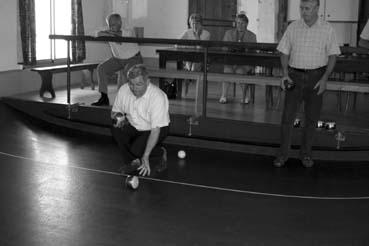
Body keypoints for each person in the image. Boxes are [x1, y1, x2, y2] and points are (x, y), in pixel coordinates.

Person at [274, 0, 340, 168]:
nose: (304, 12)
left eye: (307, 8)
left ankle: (306, 155)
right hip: (294, 77)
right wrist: (285, 74)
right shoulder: (293, 27)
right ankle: (283, 155)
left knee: (311, 120)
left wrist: (325, 78)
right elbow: (284, 52)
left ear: (317, 8)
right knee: (287, 118)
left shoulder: (327, 29)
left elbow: (333, 56)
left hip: (316, 78)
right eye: (301, 8)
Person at [111, 64, 170, 177]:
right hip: (134, 125)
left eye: (139, 84)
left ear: (147, 82)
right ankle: (133, 162)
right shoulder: (124, 89)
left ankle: (160, 152)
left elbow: (155, 130)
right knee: (115, 126)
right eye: (131, 84)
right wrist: (119, 117)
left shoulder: (157, 96)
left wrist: (146, 156)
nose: (134, 88)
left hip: (155, 128)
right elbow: (114, 112)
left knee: (137, 150)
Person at [92, 13, 143, 106]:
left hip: (133, 58)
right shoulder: (108, 30)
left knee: (127, 72)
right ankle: (104, 97)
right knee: (101, 68)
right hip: (118, 59)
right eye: (109, 25)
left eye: (114, 24)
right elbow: (96, 33)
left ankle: (132, 100)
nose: (111, 27)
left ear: (120, 23)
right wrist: (108, 33)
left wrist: (108, 34)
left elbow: (119, 38)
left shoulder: (128, 30)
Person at [219, 13, 257, 104]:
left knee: (240, 71)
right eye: (238, 23)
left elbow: (253, 51)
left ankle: (245, 96)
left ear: (246, 24)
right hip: (231, 61)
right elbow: (223, 48)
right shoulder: (228, 33)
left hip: (245, 62)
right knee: (227, 70)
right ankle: (224, 96)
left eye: (242, 23)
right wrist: (230, 48)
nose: (239, 25)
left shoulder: (252, 36)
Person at [178, 13, 211, 95]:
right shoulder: (187, 32)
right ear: (190, 24)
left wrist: (197, 35)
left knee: (193, 67)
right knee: (190, 66)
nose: (194, 26)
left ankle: (189, 79)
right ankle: (188, 78)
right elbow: (177, 44)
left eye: (197, 23)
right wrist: (185, 47)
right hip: (188, 57)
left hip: (202, 58)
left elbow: (200, 48)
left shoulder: (206, 34)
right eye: (192, 23)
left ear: (201, 24)